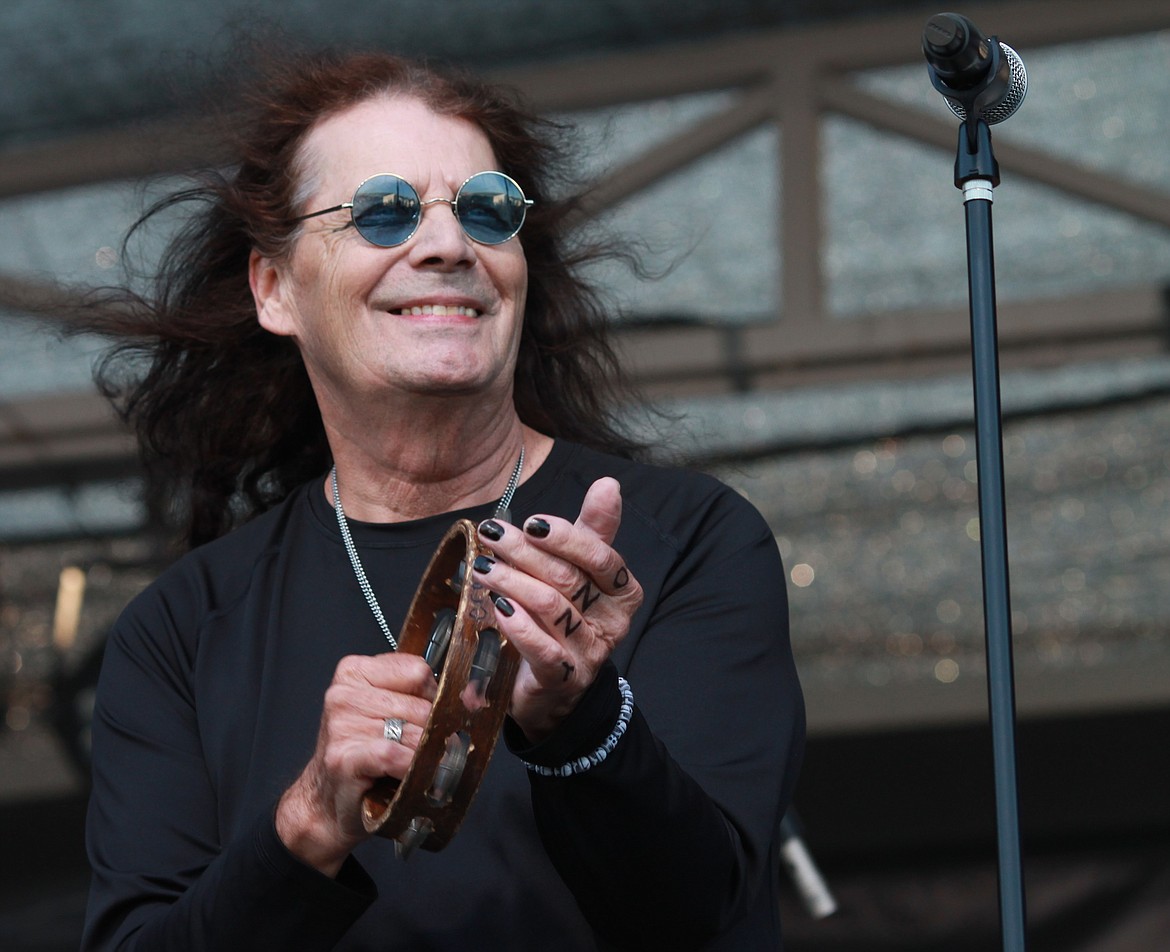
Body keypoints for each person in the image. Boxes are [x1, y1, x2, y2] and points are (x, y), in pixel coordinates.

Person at [79, 48, 804, 952]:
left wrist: (582, 723)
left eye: (486, 211)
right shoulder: (180, 634)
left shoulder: (689, 541)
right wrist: (307, 822)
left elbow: (712, 917)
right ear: (275, 288)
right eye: (382, 212)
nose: (448, 243)